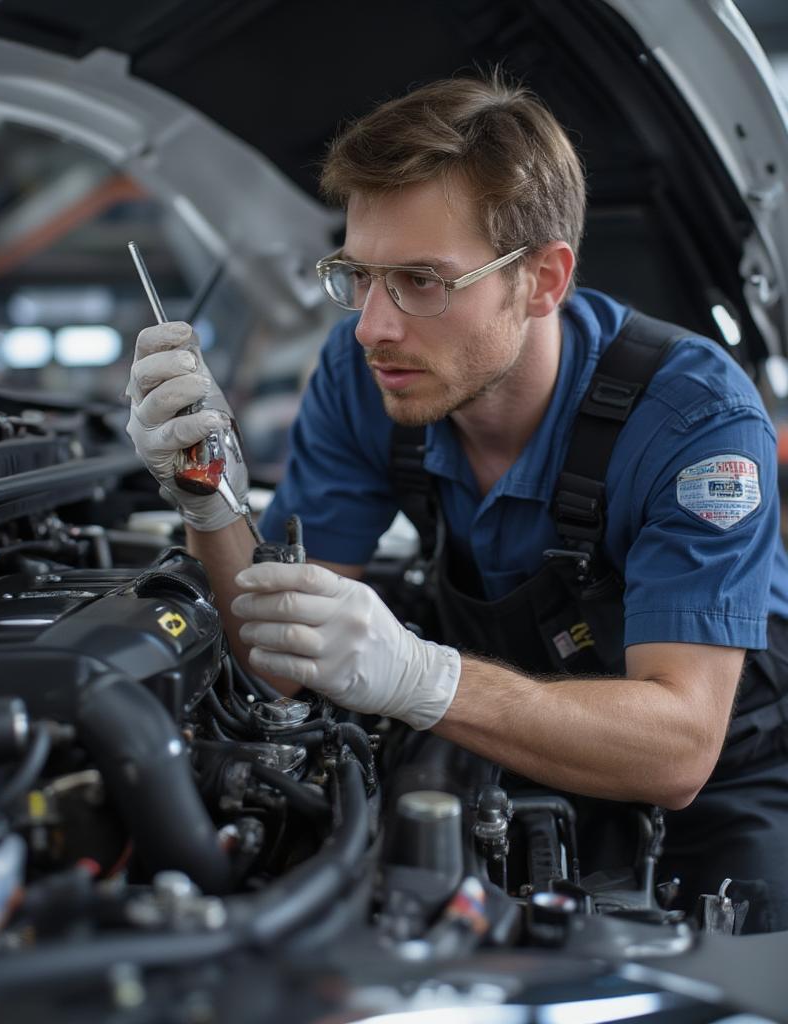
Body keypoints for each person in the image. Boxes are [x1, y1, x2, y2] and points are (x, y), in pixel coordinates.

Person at [125, 72, 788, 932]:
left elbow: (678, 748)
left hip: (723, 778)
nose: (371, 326)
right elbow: (278, 661)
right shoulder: (365, 378)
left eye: (421, 281)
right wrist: (208, 500)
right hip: (499, 742)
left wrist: (419, 674)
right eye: (358, 276)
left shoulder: (696, 421)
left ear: (544, 281)